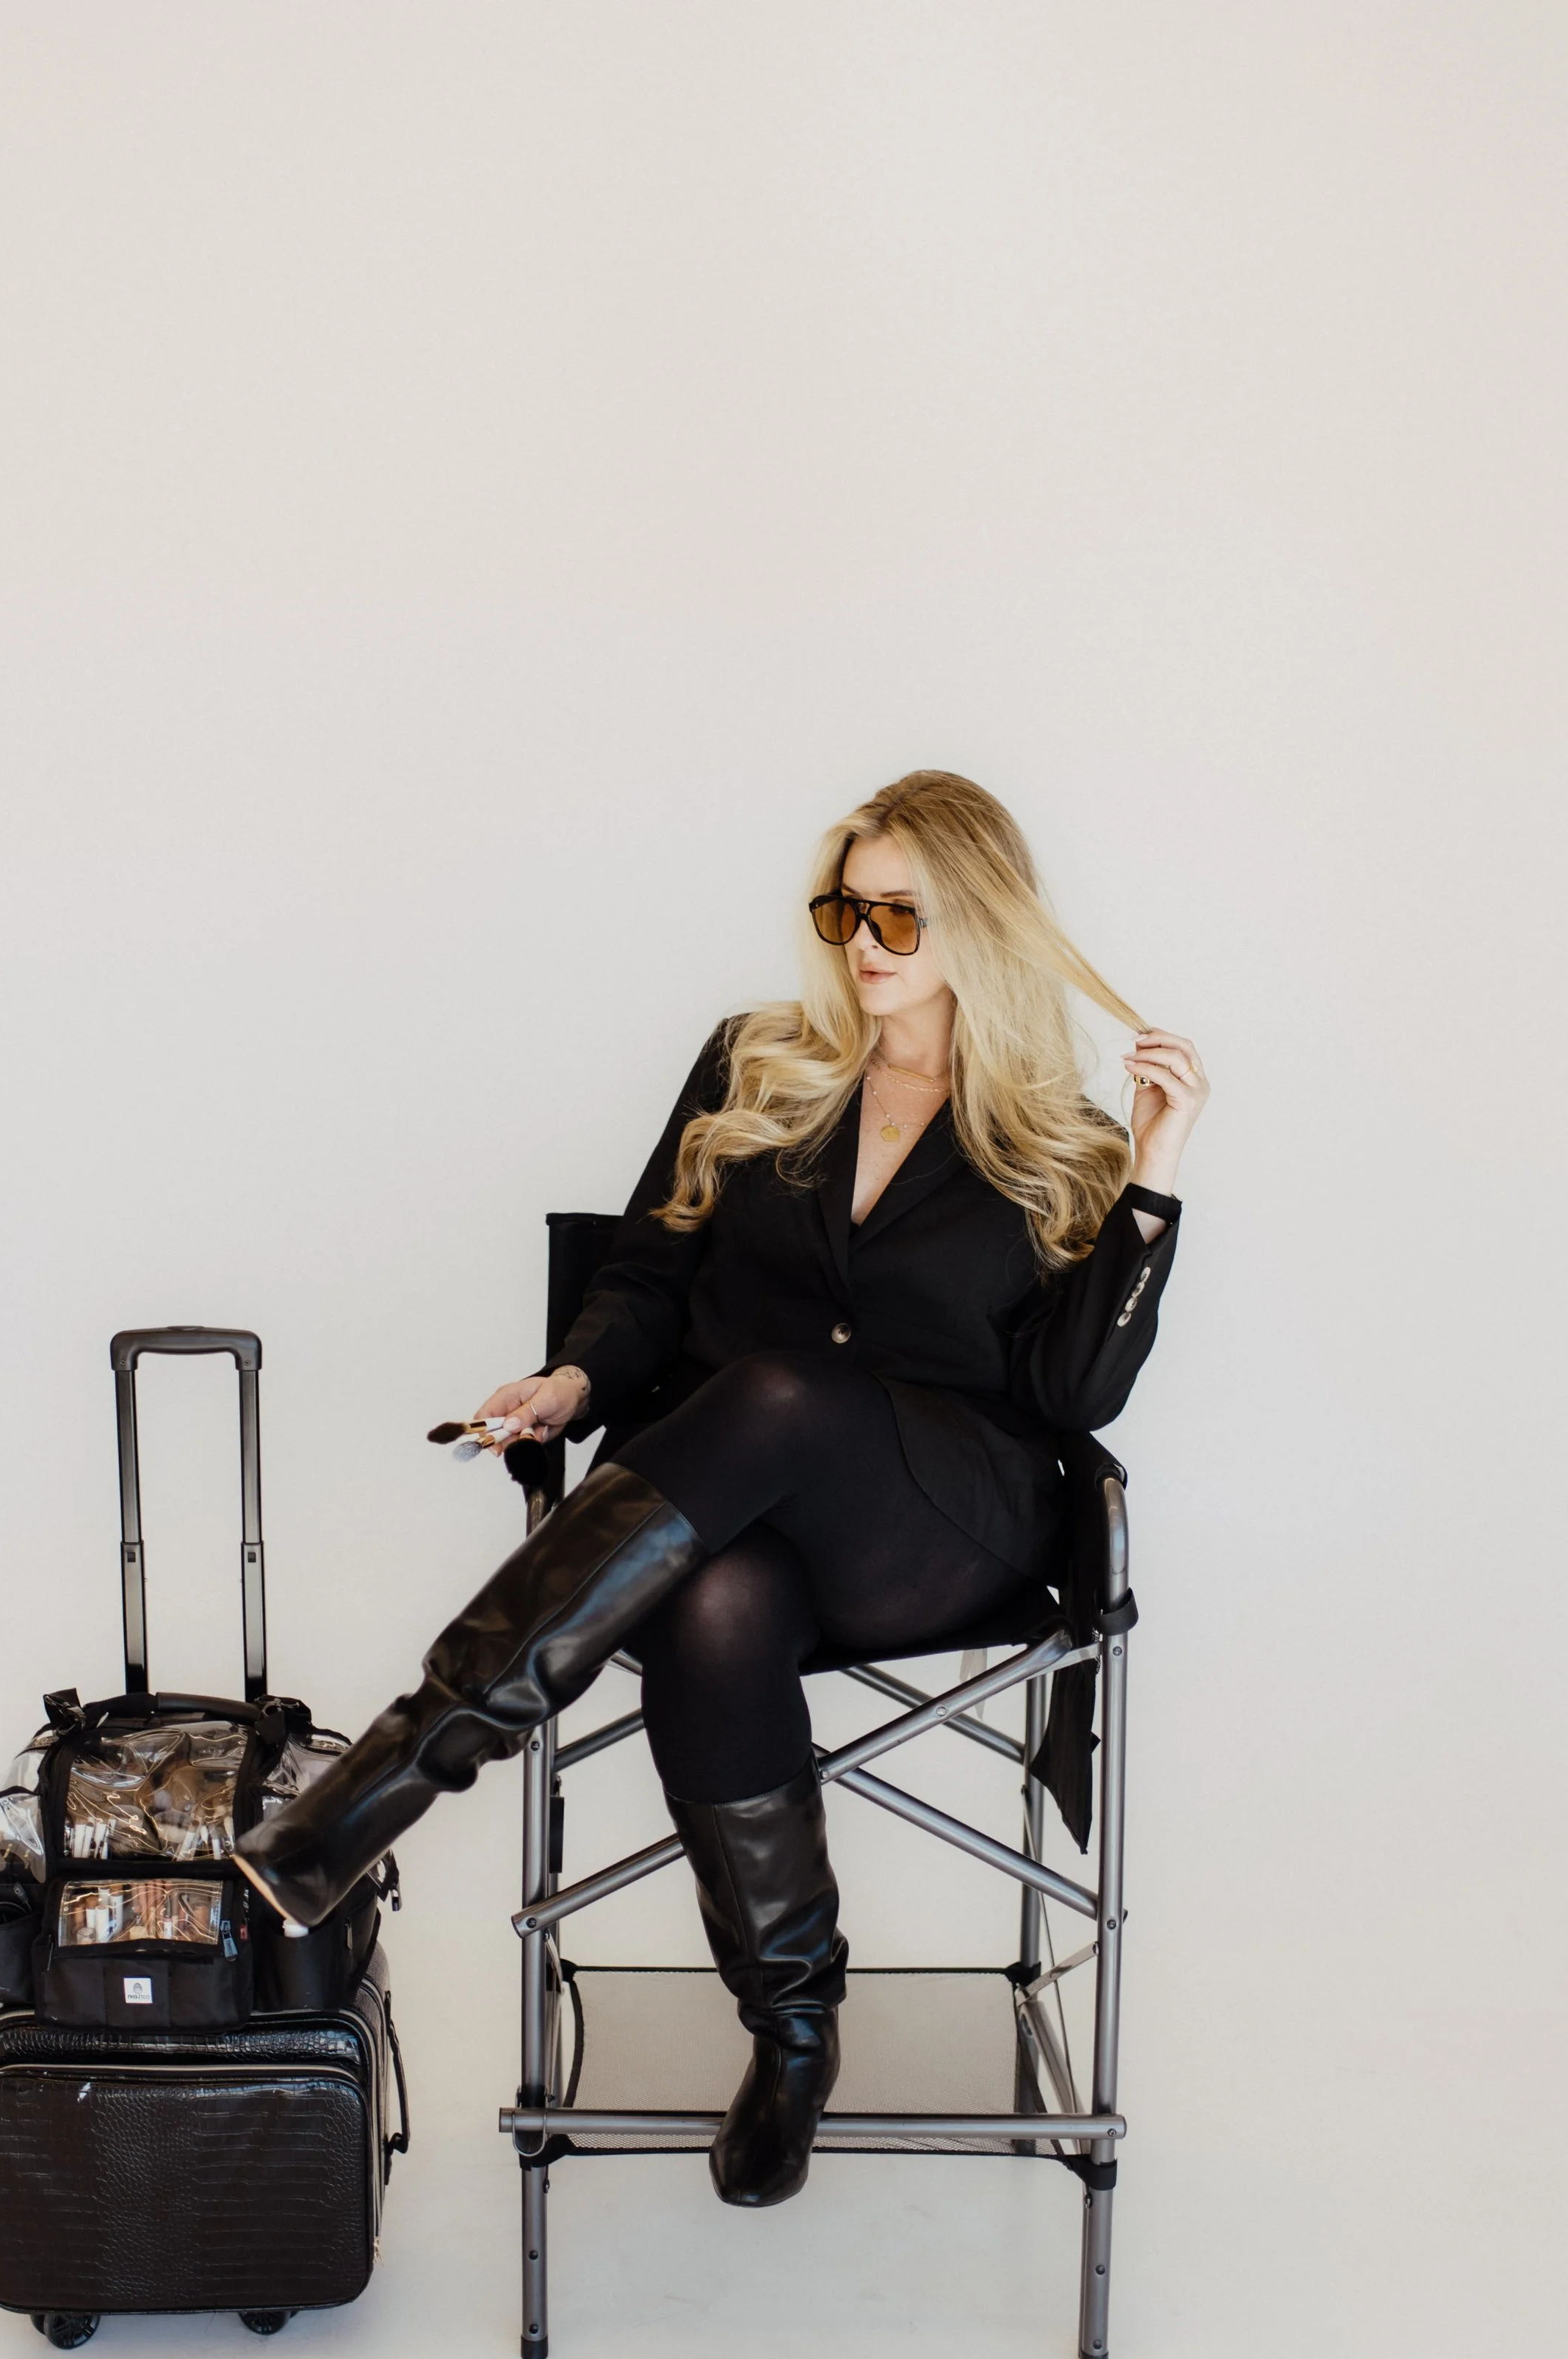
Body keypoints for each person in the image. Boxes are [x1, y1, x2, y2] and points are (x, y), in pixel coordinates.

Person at [236, 769, 1209, 2208]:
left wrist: (1151, 1177)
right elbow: (649, 1266)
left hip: (938, 1530)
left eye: (897, 913)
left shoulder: (1054, 1139)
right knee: (718, 1607)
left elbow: (1071, 1398)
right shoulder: (758, 1063)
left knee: (771, 1391)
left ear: (979, 924)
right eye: (842, 907)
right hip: (721, 1517)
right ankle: (793, 2032)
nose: (861, 941)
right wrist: (570, 1383)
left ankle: (391, 1773)